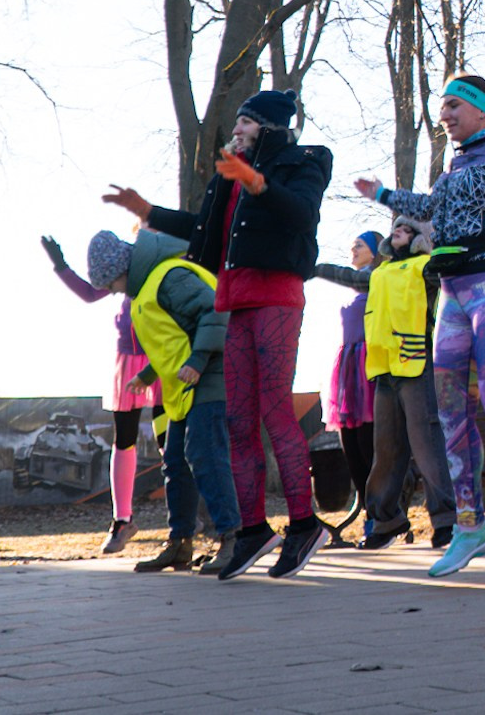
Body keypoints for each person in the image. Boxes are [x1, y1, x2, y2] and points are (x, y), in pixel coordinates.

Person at [104, 88, 334, 582]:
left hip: (276, 295)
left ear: (269, 127)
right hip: (234, 297)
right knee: (239, 420)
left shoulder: (305, 161)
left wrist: (257, 182)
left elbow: (301, 214)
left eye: (246, 122)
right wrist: (149, 211)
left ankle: (304, 524)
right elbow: (203, 231)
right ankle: (252, 530)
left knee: (275, 411)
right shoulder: (228, 178)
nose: (237, 130)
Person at [354, 75, 485, 581]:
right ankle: (470, 524)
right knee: (449, 410)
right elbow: (432, 209)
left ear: (481, 111)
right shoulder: (456, 164)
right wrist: (383, 194)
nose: (444, 115)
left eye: (452, 105)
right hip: (453, 293)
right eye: (441, 107)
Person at [87, 229, 243, 578]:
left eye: (111, 283)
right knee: (175, 461)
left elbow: (214, 311)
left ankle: (234, 537)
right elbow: (175, 338)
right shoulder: (146, 288)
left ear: (121, 269)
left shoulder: (169, 276)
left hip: (214, 372)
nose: (113, 291)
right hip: (186, 383)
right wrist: (147, 375)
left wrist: (199, 360)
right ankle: (180, 542)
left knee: (205, 453)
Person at [314, 216, 460, 550]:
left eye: (408, 230)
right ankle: (385, 521)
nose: (399, 231)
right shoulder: (379, 274)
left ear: (420, 240)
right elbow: (349, 276)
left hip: (416, 366)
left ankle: (446, 520)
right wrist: (315, 268)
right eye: (397, 228)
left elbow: (450, 268)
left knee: (427, 446)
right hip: (383, 371)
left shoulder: (425, 268)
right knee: (386, 450)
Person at [41, 235, 157, 555]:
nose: (114, 290)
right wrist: (61, 265)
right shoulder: (119, 267)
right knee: (124, 440)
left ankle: (187, 521)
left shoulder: (151, 263)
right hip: (128, 357)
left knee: (170, 440)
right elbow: (91, 294)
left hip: (162, 353)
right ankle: (122, 520)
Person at [325, 232, 384, 513]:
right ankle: (368, 507)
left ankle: (382, 508)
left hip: (368, 365)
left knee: (367, 440)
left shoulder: (378, 279)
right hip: (347, 367)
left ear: (374, 251)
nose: (353, 249)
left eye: (359, 245)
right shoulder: (353, 286)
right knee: (348, 442)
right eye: (352, 245)